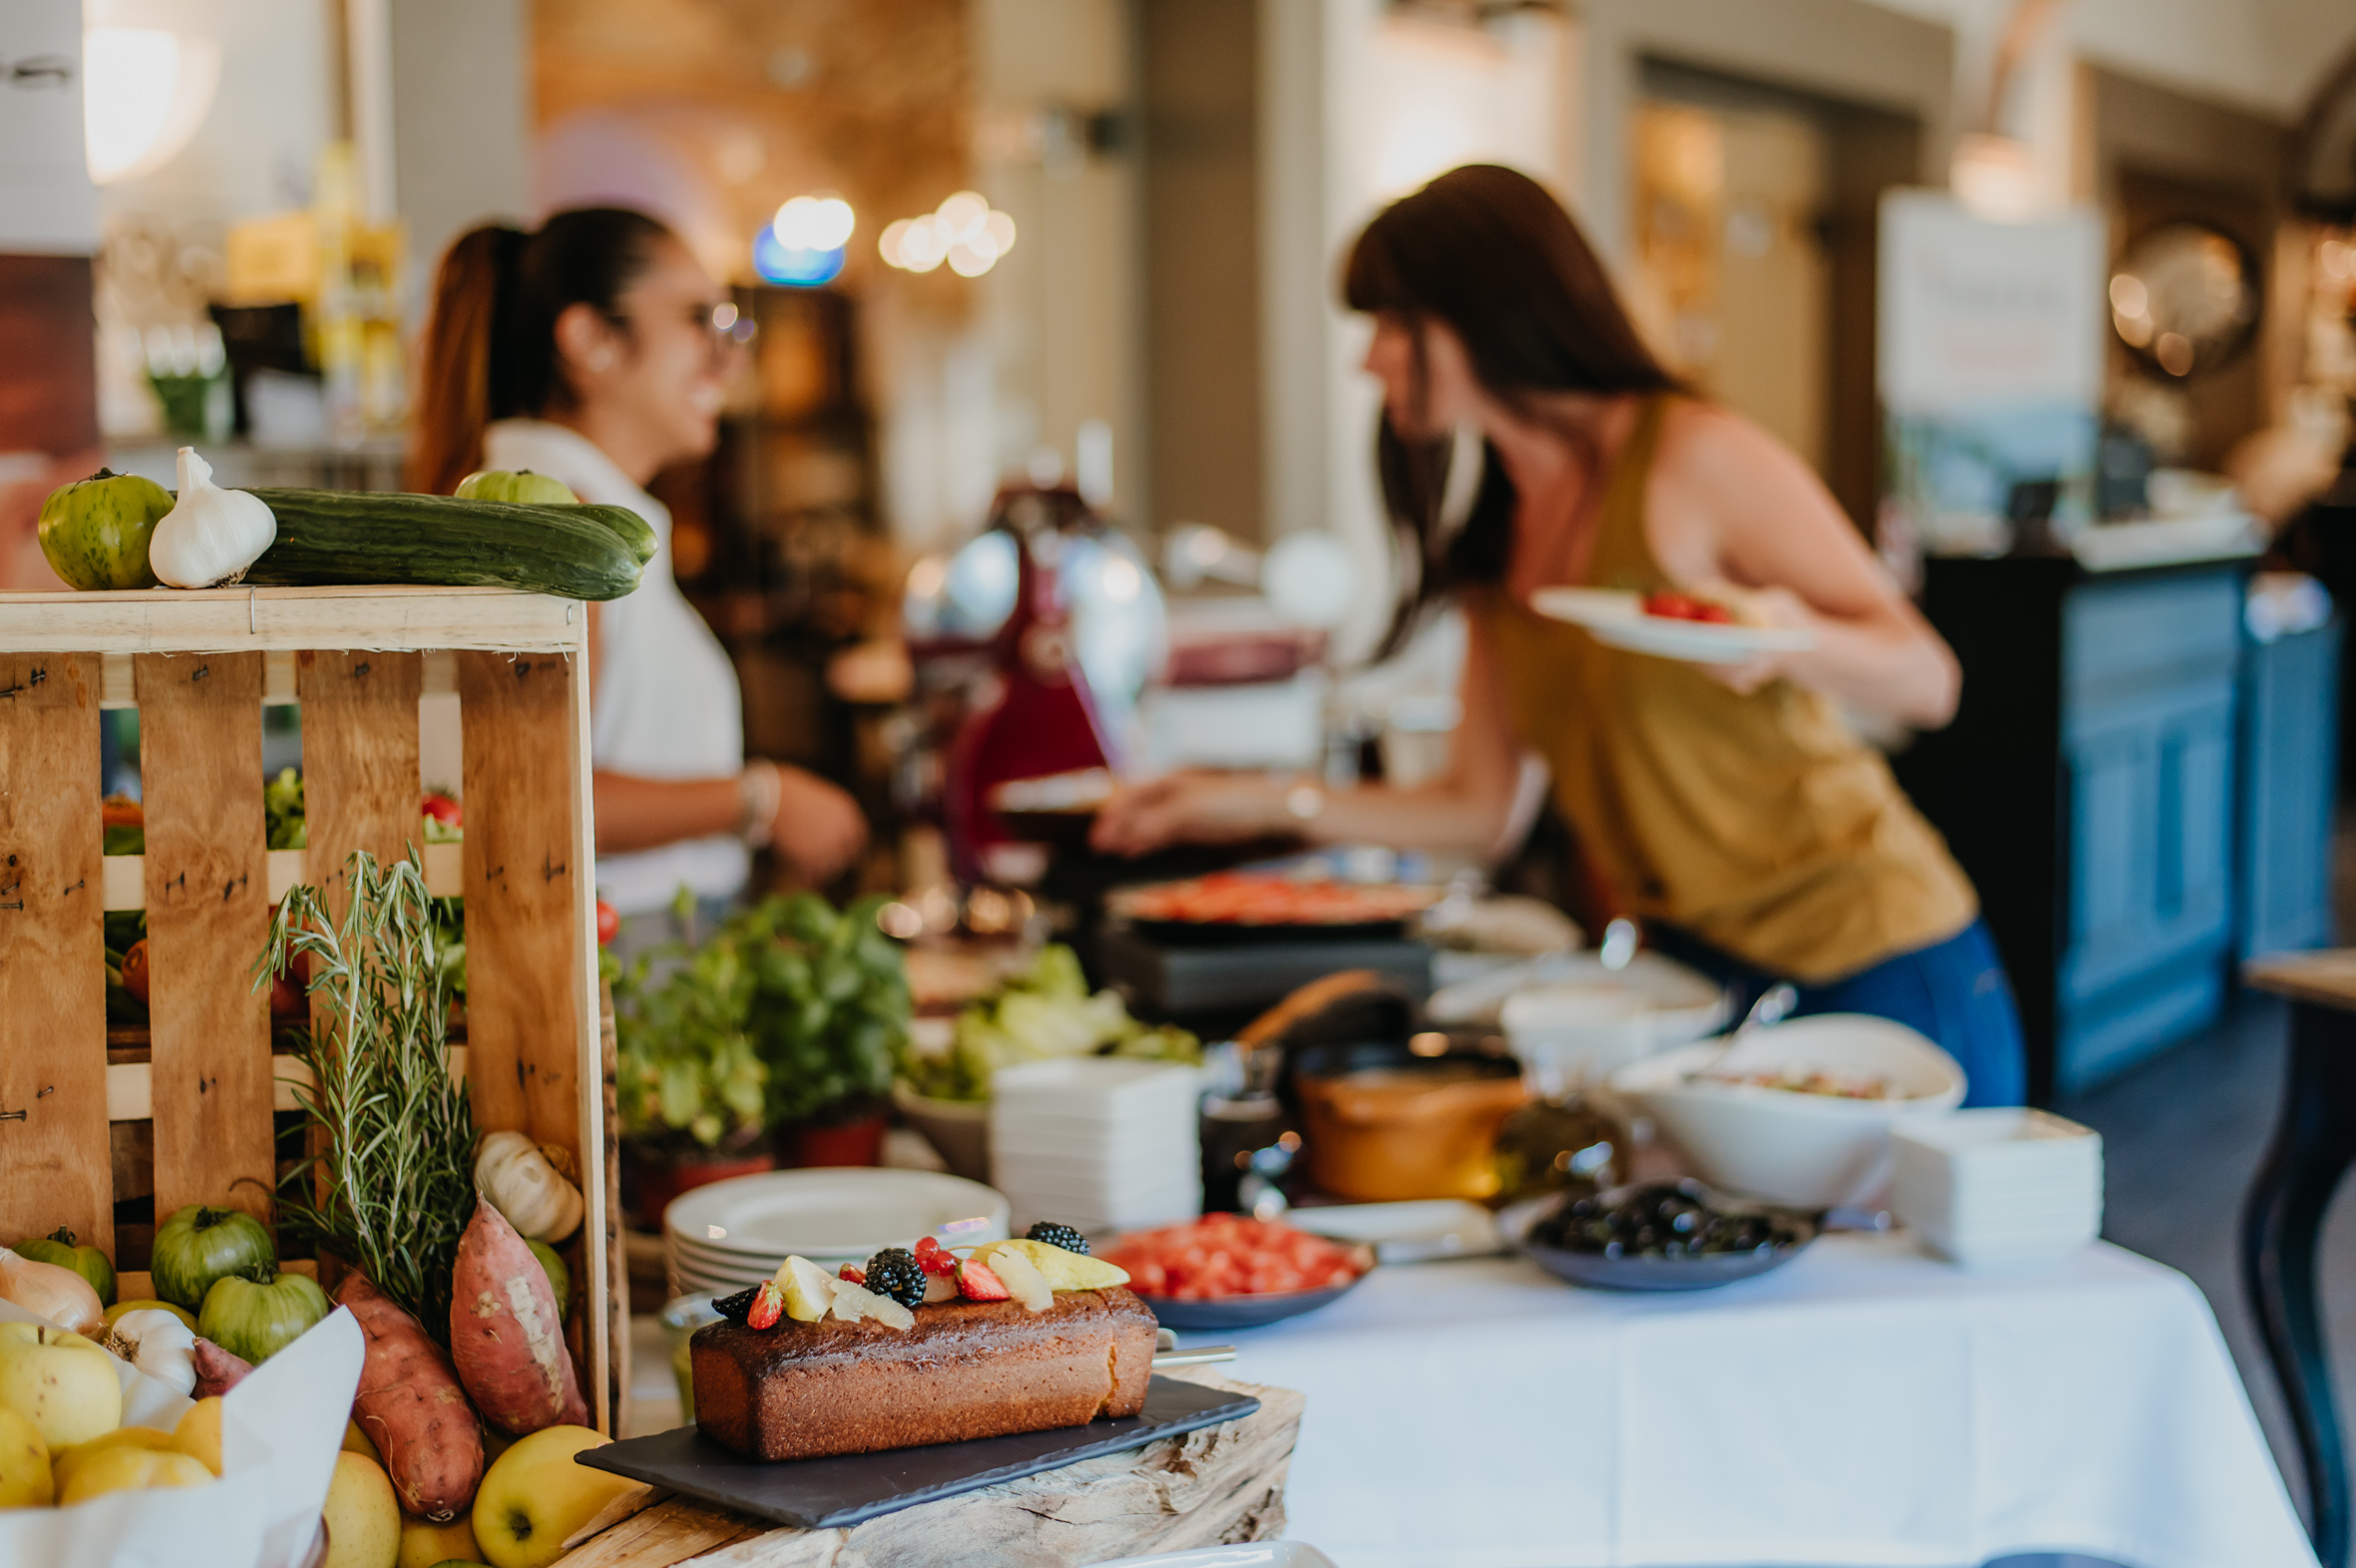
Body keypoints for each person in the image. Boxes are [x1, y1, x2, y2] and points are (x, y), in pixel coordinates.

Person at [1093, 165, 2025, 1106]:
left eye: (1390, 322)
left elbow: (1927, 677)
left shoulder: (1693, 455)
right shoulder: (1502, 543)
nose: (1367, 361)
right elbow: (1476, 808)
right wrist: (1246, 802)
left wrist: (1789, 638)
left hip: (1874, 951)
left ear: (1487, 312)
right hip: (1699, 974)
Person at [410, 207, 867, 942]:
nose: (730, 358)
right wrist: (763, 799)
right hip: (612, 946)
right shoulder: (556, 522)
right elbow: (527, 795)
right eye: (698, 319)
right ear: (591, 340)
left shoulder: (581, 506)